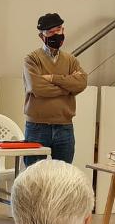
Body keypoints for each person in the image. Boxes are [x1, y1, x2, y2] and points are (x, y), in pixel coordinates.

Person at [22, 13, 88, 167]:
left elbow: (82, 83)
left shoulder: (71, 60)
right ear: (41, 35)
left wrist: (52, 78)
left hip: (64, 126)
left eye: (58, 30)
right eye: (50, 32)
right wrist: (68, 87)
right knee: (34, 177)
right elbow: (37, 88)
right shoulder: (31, 59)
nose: (56, 35)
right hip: (37, 127)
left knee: (63, 176)